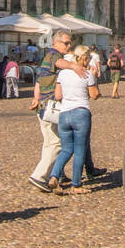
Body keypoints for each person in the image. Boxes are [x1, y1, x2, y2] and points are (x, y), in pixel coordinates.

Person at [28, 31, 98, 192]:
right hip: (51, 107)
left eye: (69, 43)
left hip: (44, 106)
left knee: (53, 141)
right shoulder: (53, 56)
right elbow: (60, 63)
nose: (69, 46)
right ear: (56, 43)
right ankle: (39, 177)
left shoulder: (46, 59)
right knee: (56, 144)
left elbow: (39, 81)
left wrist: (36, 98)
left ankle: (58, 174)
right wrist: (74, 66)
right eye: (66, 43)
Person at [49, 45, 101, 193]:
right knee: (79, 150)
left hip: (64, 115)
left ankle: (54, 176)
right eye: (89, 58)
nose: (89, 61)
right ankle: (76, 185)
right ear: (83, 58)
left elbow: (58, 96)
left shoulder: (63, 74)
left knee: (66, 149)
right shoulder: (87, 74)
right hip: (81, 113)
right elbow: (94, 95)